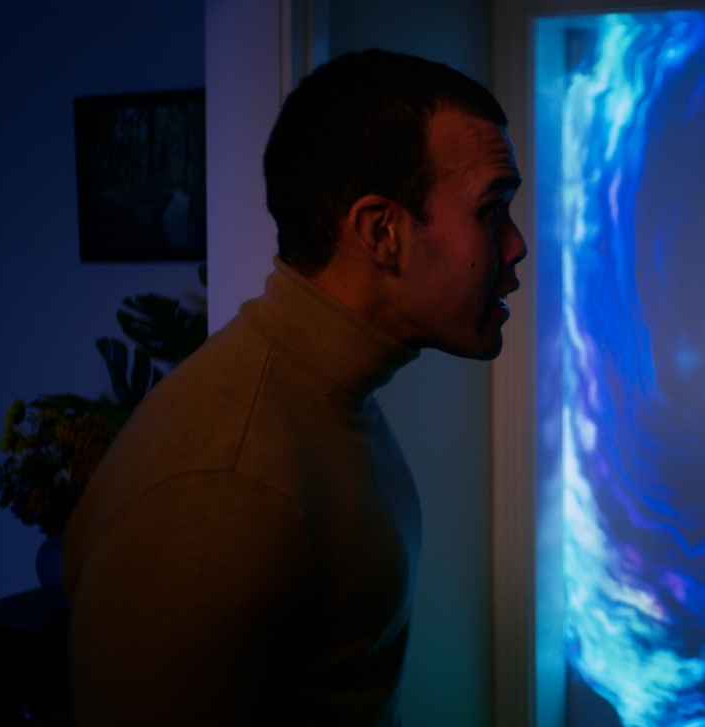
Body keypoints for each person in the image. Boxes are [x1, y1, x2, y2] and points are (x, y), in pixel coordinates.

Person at [61, 50, 525, 726]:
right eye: (492, 210)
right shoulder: (224, 483)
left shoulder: (327, 400)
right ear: (383, 232)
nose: (515, 245)